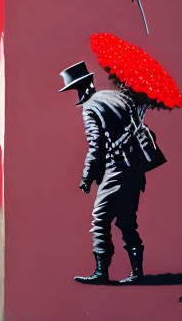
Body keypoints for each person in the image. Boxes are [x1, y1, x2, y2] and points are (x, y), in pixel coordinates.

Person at [59, 61, 159, 285]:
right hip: (135, 168)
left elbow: (96, 147)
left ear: (80, 88)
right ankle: (136, 273)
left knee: (100, 219)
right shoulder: (115, 96)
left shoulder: (90, 108)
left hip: (116, 169)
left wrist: (86, 177)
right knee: (126, 221)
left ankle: (101, 272)